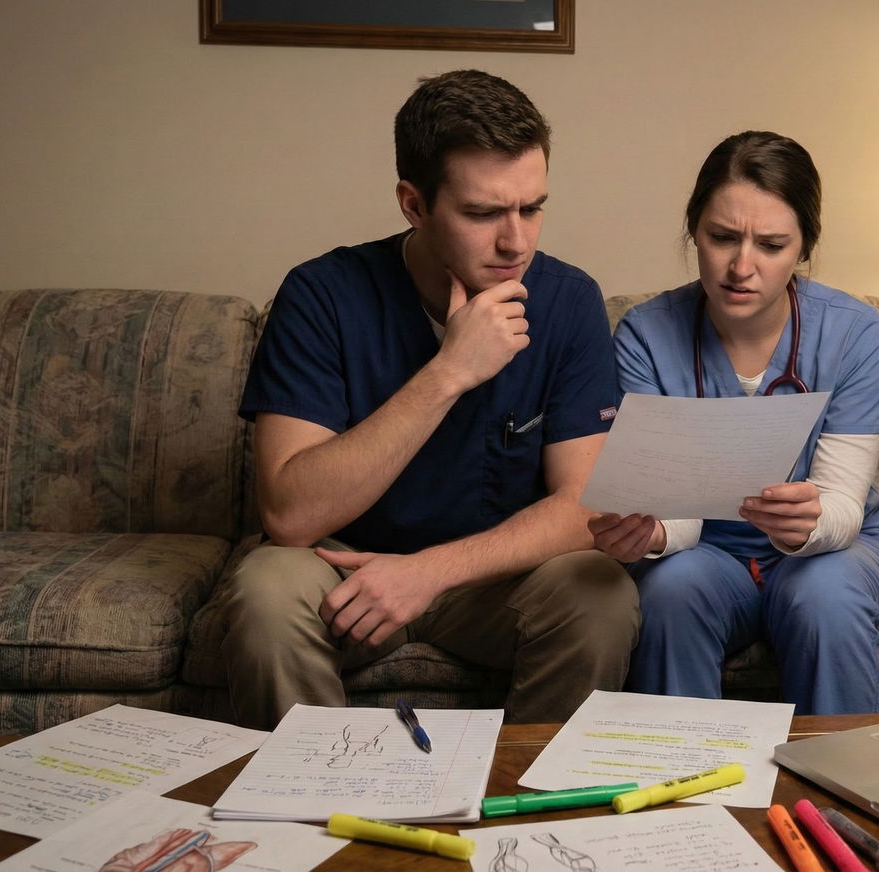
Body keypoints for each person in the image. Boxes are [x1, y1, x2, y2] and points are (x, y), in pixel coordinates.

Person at [221, 69, 639, 729]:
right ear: (413, 204)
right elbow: (290, 516)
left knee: (601, 594)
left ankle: (531, 808)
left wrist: (429, 572)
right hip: (342, 571)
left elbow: (584, 506)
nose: (516, 241)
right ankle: (310, 807)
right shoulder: (322, 294)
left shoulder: (568, 300)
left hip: (491, 585)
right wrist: (448, 372)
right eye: (482, 213)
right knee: (267, 589)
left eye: (532, 207)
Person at [590, 130, 879, 715]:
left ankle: (844, 796)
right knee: (671, 594)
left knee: (824, 597)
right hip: (704, 555)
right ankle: (682, 795)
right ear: (693, 231)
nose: (742, 266)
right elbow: (673, 511)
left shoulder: (854, 332)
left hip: (837, 553)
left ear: (803, 248)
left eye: (771, 244)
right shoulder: (644, 334)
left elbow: (841, 506)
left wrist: (806, 526)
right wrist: (652, 534)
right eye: (722, 238)